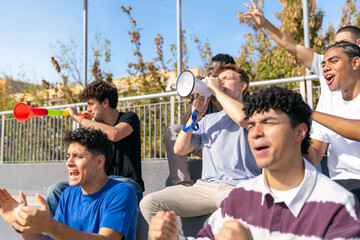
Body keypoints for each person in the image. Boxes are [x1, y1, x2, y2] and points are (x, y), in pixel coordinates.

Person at [148, 87, 360, 240]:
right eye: (252, 125)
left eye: (268, 123)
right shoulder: (240, 198)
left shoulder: (337, 204)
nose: (256, 133)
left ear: (300, 132)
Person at [244, 1, 360, 198]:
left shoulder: (322, 112)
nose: (325, 67)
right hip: (340, 184)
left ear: (356, 57)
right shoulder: (328, 97)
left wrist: (308, 112)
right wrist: (289, 138)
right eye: (324, 62)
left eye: (341, 48)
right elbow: (314, 155)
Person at [140, 63, 261, 225]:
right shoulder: (209, 119)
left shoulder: (254, 109)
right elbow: (180, 149)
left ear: (242, 85)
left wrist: (216, 90)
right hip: (204, 188)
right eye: (218, 79)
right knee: (149, 203)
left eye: (226, 79)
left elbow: (241, 118)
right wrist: (194, 118)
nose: (220, 82)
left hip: (237, 187)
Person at [0, 127, 138, 240]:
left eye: (78, 156)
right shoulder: (68, 194)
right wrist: (18, 224)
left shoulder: (122, 192)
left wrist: (52, 226)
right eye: (68, 156)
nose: (68, 163)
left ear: (99, 162)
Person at [46, 80, 144, 216]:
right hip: (98, 183)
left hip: (127, 184)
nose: (88, 109)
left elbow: (115, 134)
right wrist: (88, 124)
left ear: (105, 102)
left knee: (120, 187)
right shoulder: (95, 125)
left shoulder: (129, 117)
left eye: (91, 104)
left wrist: (78, 119)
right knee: (55, 190)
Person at [165, 53, 235, 186]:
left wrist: (216, 94)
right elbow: (186, 123)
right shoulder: (203, 91)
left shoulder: (233, 91)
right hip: (205, 142)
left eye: (213, 71)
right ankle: (182, 184)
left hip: (226, 144)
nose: (208, 74)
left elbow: (231, 118)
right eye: (209, 70)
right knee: (173, 130)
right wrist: (196, 95)